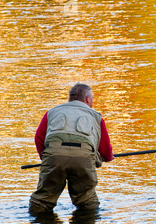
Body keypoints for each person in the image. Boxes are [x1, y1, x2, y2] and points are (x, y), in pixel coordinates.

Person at [29, 83, 114, 214]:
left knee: (42, 200)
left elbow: (39, 138)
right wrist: (108, 157)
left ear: (70, 99)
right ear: (88, 99)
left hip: (54, 156)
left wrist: (47, 159)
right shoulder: (95, 116)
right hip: (83, 158)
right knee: (87, 201)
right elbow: (104, 147)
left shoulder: (52, 112)